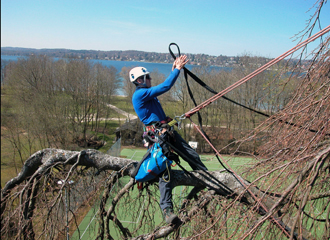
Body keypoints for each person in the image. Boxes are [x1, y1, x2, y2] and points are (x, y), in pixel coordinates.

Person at [129, 55, 208, 224]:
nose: (150, 79)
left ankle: (206, 179)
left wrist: (174, 69)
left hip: (166, 132)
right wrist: (178, 69)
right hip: (158, 137)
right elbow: (166, 86)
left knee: (192, 156)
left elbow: (159, 108)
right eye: (147, 77)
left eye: (149, 76)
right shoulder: (140, 95)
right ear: (140, 80)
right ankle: (167, 210)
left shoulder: (147, 95)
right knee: (165, 170)